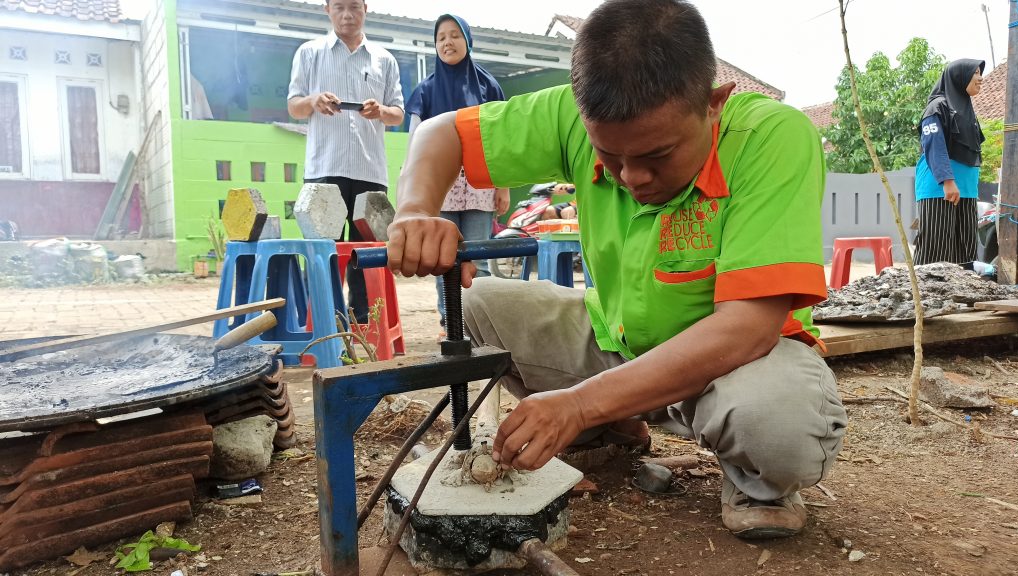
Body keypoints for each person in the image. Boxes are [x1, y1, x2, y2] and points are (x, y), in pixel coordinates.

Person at [387, 0, 846, 540]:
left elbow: (747, 327)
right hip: (616, 344)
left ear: (714, 104)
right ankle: (611, 427)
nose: (631, 176)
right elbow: (440, 133)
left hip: (735, 365)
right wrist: (416, 211)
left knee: (780, 427)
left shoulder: (770, 137)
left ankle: (755, 479)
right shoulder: (572, 114)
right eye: (609, 155)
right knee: (481, 305)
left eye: (657, 155)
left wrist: (579, 403)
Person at [287, 0, 404, 323]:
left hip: (370, 171)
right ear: (327, 9)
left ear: (366, 8)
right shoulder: (310, 53)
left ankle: (365, 320)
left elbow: (397, 113)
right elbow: (294, 106)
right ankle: (325, 319)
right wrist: (313, 100)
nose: (347, 14)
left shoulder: (384, 59)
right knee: (325, 251)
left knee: (366, 253)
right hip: (324, 169)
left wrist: (379, 110)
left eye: (354, 6)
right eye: (339, 6)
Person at [405, 14, 510, 340]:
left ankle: (476, 325)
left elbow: (501, 139)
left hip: (480, 184)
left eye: (454, 35)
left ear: (467, 40)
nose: (447, 42)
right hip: (442, 188)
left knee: (477, 256)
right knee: (443, 257)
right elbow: (414, 148)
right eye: (441, 38)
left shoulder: (488, 86)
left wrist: (502, 185)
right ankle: (449, 324)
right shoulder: (425, 91)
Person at [913, 59, 985, 266]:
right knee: (937, 251)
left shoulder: (967, 111)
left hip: (967, 191)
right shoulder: (937, 107)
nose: (980, 78)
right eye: (976, 72)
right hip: (940, 190)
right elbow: (933, 144)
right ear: (959, 76)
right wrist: (947, 180)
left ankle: (963, 298)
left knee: (967, 250)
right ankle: (927, 297)